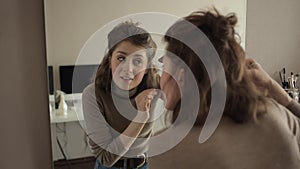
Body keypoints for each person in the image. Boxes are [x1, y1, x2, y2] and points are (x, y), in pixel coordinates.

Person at [149, 8, 300, 169]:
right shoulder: (275, 116)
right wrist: (272, 87)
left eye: (164, 65)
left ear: (181, 76)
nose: (160, 78)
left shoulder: (165, 150)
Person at [82, 21, 162, 169]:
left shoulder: (154, 85)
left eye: (137, 61)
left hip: (144, 165)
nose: (128, 69)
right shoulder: (92, 95)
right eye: (120, 58)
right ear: (110, 59)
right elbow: (106, 158)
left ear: (146, 67)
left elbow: (190, 99)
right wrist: (140, 117)